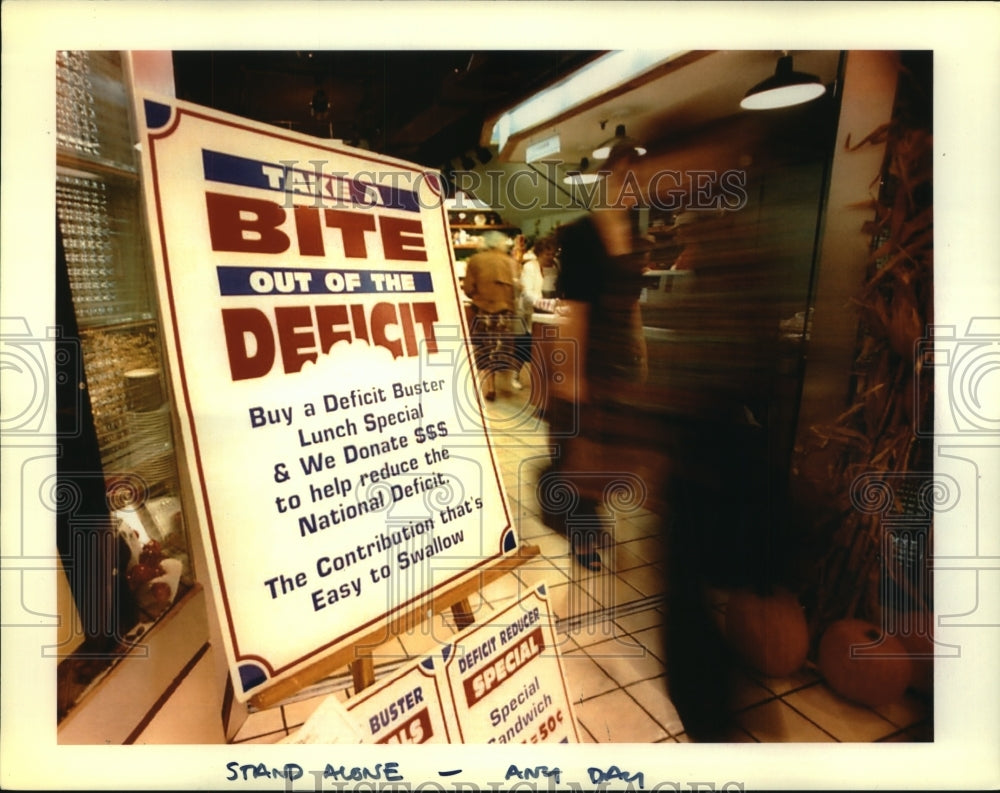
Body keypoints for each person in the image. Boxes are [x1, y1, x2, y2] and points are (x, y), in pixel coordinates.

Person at [539, 143, 651, 571]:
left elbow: (632, 303)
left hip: (617, 361)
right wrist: (570, 379)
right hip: (584, 357)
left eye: (636, 181)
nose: (630, 189)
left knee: (604, 449)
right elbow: (573, 308)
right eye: (623, 178)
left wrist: (640, 350)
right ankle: (582, 536)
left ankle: (591, 521)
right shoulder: (584, 234)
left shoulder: (633, 234)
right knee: (578, 448)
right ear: (605, 180)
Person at [462, 231, 521, 401]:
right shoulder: (511, 262)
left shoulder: (476, 260)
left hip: (483, 311)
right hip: (506, 313)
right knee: (501, 348)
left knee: (485, 349)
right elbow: (517, 290)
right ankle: (506, 383)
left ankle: (490, 387)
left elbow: (468, 289)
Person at [511, 234, 559, 393]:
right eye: (547, 254)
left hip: (550, 312)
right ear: (539, 253)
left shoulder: (556, 265)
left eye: (553, 253)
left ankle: (543, 382)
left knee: (545, 348)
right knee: (524, 347)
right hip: (528, 313)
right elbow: (527, 293)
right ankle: (515, 375)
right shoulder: (530, 267)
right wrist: (542, 303)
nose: (551, 257)